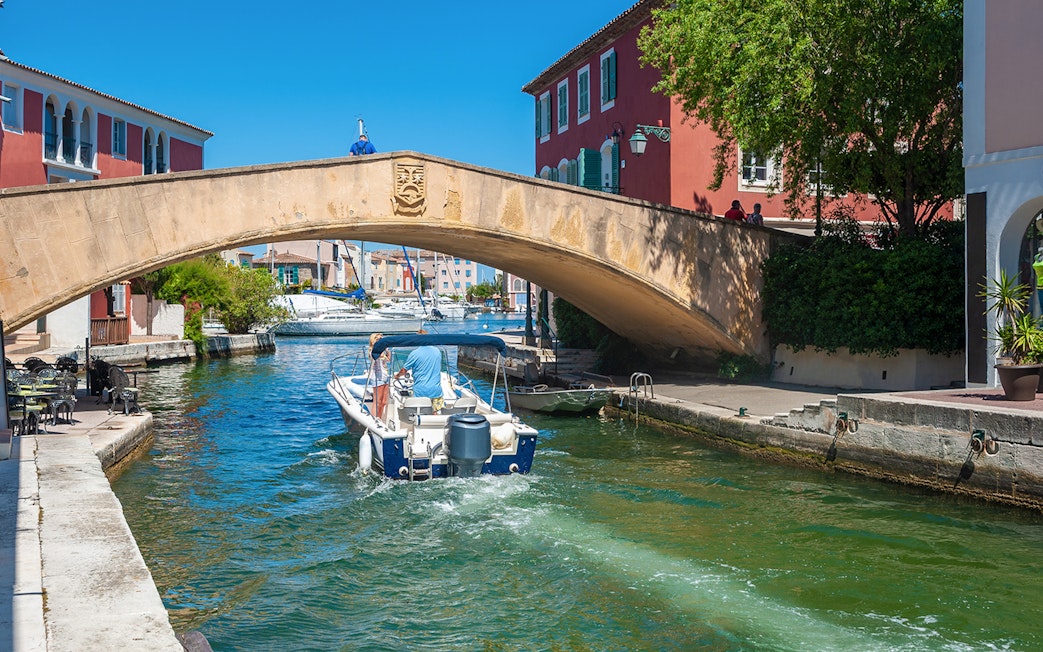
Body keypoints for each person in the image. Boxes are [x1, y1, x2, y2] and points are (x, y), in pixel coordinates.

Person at [394, 332, 445, 412]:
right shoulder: (437, 351)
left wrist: (397, 376)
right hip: (436, 389)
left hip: (421, 390)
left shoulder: (415, 353)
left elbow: (404, 370)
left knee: (420, 412)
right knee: (435, 413)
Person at [368, 332, 390, 419]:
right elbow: (379, 356)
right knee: (377, 402)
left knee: (383, 402)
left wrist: (387, 349)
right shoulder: (372, 351)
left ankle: (379, 418)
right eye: (378, 339)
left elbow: (388, 359)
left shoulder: (383, 351)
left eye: (381, 339)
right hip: (377, 378)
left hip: (385, 377)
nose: (380, 341)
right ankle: (374, 419)